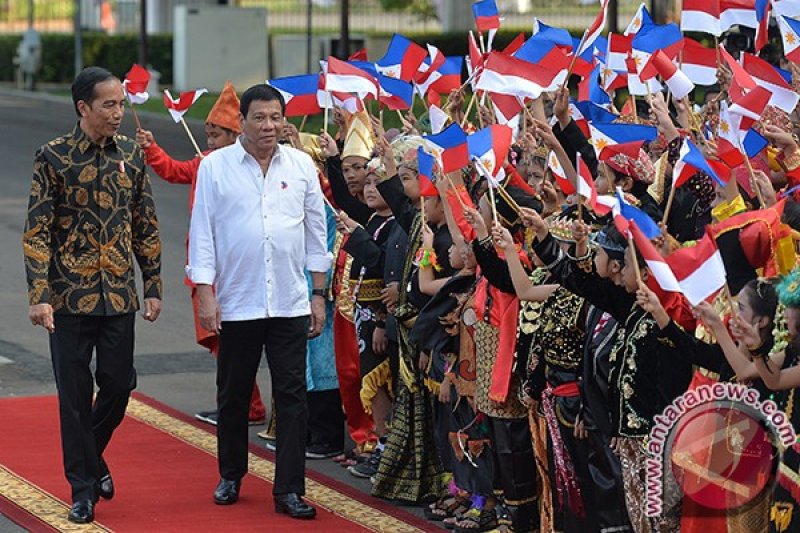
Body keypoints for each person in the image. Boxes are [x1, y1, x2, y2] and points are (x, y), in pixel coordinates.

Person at [22, 66, 162, 524]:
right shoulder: (54, 157)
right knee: (75, 395)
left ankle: (93, 455)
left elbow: (145, 223)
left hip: (119, 294)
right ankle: (82, 489)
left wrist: (154, 284)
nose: (118, 112)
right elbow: (37, 230)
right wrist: (39, 294)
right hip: (67, 299)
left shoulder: (132, 156)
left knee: (120, 386)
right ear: (84, 108)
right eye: (109, 104)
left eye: (121, 103)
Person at [187, 83, 331, 519]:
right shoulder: (215, 167)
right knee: (232, 394)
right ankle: (231, 472)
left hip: (290, 301)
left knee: (292, 397)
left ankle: (289, 489)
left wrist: (319, 295)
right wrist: (206, 294)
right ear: (242, 122)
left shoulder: (302, 165)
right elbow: (203, 234)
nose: (269, 126)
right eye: (259, 118)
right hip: (238, 301)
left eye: (275, 118)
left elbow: (315, 234)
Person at [135, 81, 267, 426]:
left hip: (233, 266)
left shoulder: (247, 167)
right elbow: (173, 171)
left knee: (234, 341)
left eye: (218, 136)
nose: (210, 142)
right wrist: (151, 148)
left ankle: (246, 406)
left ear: (237, 135)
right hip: (205, 264)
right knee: (223, 343)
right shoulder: (205, 163)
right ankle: (240, 404)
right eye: (208, 135)